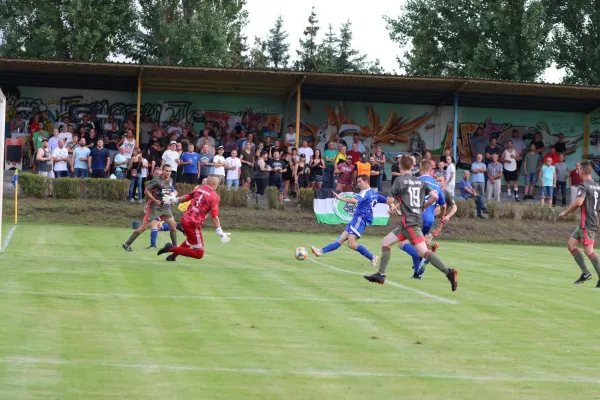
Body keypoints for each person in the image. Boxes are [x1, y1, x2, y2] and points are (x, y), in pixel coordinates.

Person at [363, 155, 458, 291]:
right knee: (385, 242)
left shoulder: (400, 181)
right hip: (408, 223)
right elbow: (435, 197)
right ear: (412, 167)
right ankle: (381, 275)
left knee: (424, 252)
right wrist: (423, 207)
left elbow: (389, 200)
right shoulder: (419, 182)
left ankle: (449, 272)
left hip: (410, 223)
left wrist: (389, 203)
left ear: (400, 166)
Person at [311, 175, 386, 267]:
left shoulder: (365, 192)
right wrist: (393, 206)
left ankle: (372, 257)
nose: (358, 184)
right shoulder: (375, 194)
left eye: (360, 182)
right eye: (357, 182)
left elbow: (355, 201)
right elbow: (387, 201)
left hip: (360, 219)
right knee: (339, 240)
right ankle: (320, 251)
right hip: (357, 219)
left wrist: (341, 198)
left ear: (366, 181)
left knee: (351, 244)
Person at [158, 175, 231, 261]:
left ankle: (173, 256)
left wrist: (174, 199)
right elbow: (214, 216)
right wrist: (219, 231)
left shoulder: (200, 188)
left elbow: (187, 197)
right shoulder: (215, 196)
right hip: (193, 223)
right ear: (216, 184)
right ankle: (169, 248)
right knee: (199, 253)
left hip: (185, 219)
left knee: (189, 241)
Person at [401, 159, 446, 280]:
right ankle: (417, 273)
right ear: (431, 170)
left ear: (420, 169)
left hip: (416, 217)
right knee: (416, 243)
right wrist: (441, 215)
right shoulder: (436, 184)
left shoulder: (416, 181)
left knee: (402, 243)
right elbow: (443, 205)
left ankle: (423, 257)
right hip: (429, 220)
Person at [559, 162, 600, 286]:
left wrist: (566, 213)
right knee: (571, 245)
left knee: (588, 250)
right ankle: (585, 272)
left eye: (579, 172)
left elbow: (578, 202)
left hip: (587, 222)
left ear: (582, 172)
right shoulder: (597, 186)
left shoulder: (583, 186)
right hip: (589, 221)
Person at [122, 165, 178, 251]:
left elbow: (170, 190)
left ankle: (175, 248)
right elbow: (146, 191)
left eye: (170, 171)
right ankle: (126, 244)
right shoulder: (156, 179)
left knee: (173, 225)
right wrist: (154, 200)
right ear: (163, 171)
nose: (168, 173)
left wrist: (171, 198)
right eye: (166, 171)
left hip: (165, 208)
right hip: (154, 208)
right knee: (143, 228)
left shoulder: (170, 180)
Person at [418, 174, 458, 277]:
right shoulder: (432, 189)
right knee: (420, 241)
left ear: (444, 182)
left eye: (440, 180)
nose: (438, 182)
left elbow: (454, 207)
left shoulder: (446, 194)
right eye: (437, 180)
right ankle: (431, 248)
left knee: (425, 240)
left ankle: (422, 263)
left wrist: (448, 215)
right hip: (427, 218)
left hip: (437, 221)